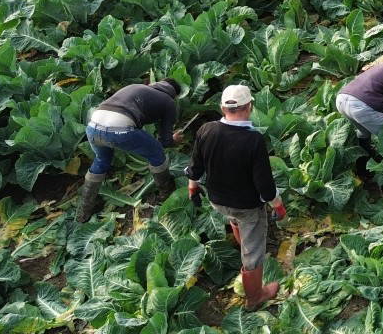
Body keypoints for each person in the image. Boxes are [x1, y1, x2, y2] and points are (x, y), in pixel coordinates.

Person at [186, 85, 286, 312]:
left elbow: (195, 166)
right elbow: (264, 185)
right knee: (252, 252)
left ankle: (241, 241)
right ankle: (255, 297)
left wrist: (192, 187)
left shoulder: (206, 130)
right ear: (249, 107)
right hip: (247, 206)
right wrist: (277, 204)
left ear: (222, 107)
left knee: (232, 217)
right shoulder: (253, 140)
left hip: (217, 200)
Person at [76, 79, 181, 223]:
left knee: (101, 160)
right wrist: (174, 139)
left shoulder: (137, 87)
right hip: (119, 130)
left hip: (93, 127)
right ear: (175, 95)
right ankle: (167, 194)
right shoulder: (169, 102)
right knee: (156, 153)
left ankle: (84, 210)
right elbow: (165, 142)